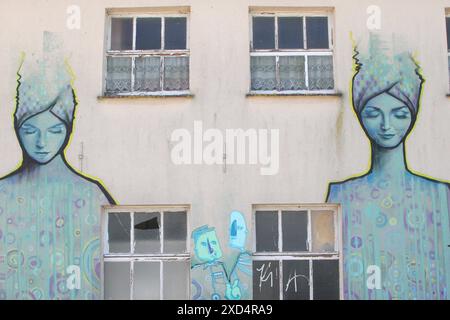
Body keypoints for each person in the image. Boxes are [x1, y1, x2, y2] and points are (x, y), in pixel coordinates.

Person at [326, 36, 450, 300]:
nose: (386, 124)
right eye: (373, 113)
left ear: (413, 115)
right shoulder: (341, 195)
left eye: (399, 113)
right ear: (360, 115)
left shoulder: (441, 195)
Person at [0, 56, 115, 300]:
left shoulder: (92, 195)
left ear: (69, 129)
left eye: (55, 130)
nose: (42, 143)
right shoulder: (2, 193)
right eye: (30, 130)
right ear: (17, 128)